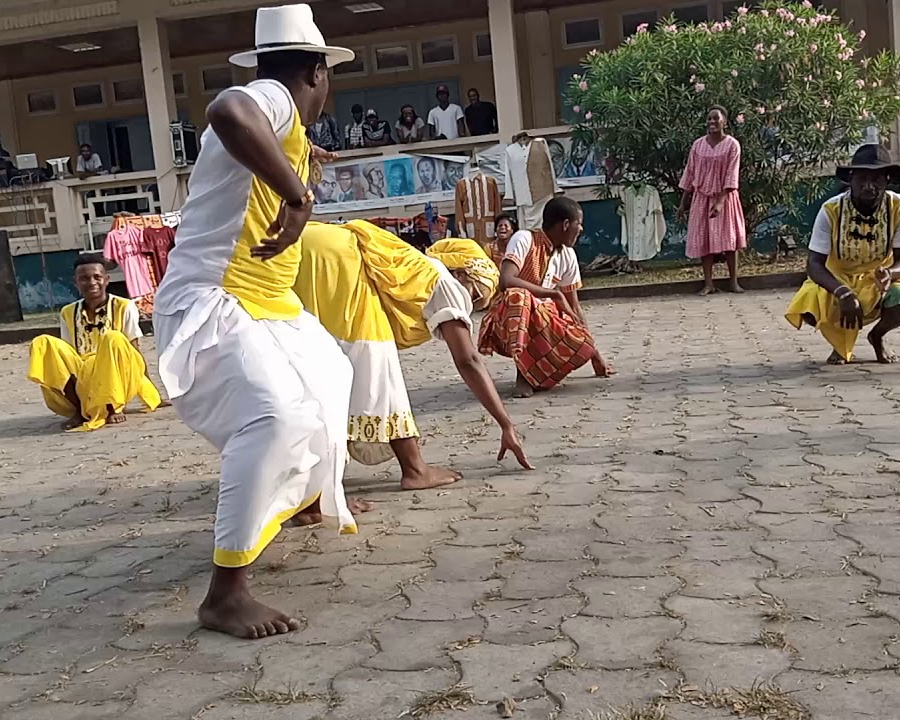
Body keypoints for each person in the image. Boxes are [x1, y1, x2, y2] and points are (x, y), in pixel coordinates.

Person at [151, 4, 359, 641]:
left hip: (268, 303)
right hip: (215, 299)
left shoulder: (283, 119)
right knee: (276, 418)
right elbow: (228, 110)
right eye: (326, 78)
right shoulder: (271, 96)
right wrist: (298, 193)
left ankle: (301, 500)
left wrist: (297, 161)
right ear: (316, 72)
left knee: (330, 381)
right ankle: (225, 595)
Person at [295, 220, 531, 493]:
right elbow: (468, 360)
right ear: (460, 273)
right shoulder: (446, 282)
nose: (471, 305)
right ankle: (414, 469)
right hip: (336, 257)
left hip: (312, 241)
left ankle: (317, 482)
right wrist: (506, 424)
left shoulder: (416, 266)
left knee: (320, 360)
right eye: (475, 294)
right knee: (376, 364)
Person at [784, 144, 900, 365]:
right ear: (850, 179)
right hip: (838, 278)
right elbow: (814, 264)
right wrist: (843, 293)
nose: (868, 186)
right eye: (862, 179)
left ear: (887, 180)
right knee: (807, 307)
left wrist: (890, 273)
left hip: (878, 278)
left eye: (876, 179)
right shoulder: (830, 210)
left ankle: (877, 336)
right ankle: (840, 343)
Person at [478, 197, 613, 398]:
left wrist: (595, 355)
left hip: (543, 319)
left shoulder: (568, 255)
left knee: (583, 344)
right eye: (578, 224)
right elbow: (507, 280)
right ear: (566, 225)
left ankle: (539, 373)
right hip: (508, 319)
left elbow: (574, 307)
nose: (581, 229)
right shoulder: (524, 239)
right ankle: (523, 374)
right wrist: (553, 293)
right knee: (519, 297)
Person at [27, 253, 162, 431]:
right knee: (43, 342)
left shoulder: (125, 306)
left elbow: (134, 351)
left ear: (106, 280)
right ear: (76, 282)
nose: (91, 283)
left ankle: (113, 407)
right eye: (84, 278)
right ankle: (80, 409)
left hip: (119, 375)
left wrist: (151, 390)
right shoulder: (67, 312)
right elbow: (67, 357)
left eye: (97, 277)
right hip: (85, 378)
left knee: (113, 338)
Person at [679, 106, 747, 296]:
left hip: (725, 198)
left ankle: (733, 282)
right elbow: (690, 173)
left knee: (729, 241)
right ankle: (708, 283)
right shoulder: (698, 146)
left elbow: (731, 175)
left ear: (724, 121)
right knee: (704, 241)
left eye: (716, 118)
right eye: (709, 118)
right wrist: (683, 203)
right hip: (701, 198)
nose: (712, 122)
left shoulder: (732, 145)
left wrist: (720, 202)